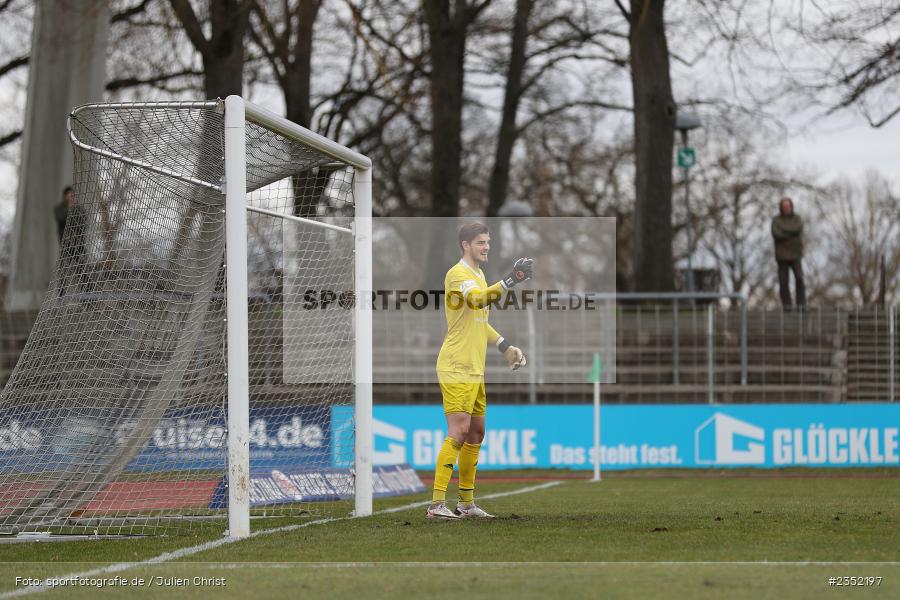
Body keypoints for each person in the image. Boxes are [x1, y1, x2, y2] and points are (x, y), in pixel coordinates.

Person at [426, 222, 533, 520]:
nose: (486, 247)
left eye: (487, 242)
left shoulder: (480, 275)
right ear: (465, 245)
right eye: (480, 242)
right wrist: (511, 280)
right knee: (459, 430)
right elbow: (477, 299)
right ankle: (436, 505)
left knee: (476, 432)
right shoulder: (457, 274)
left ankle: (466, 505)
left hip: (475, 367)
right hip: (456, 364)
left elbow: (479, 321)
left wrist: (504, 346)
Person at [771, 196, 805, 308]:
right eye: (784, 207)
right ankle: (787, 307)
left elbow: (798, 229)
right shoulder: (776, 220)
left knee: (799, 278)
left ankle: (801, 305)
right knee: (783, 281)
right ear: (781, 208)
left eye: (788, 206)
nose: (786, 208)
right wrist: (791, 234)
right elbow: (776, 233)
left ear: (791, 206)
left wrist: (783, 230)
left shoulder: (797, 218)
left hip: (796, 253)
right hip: (781, 255)